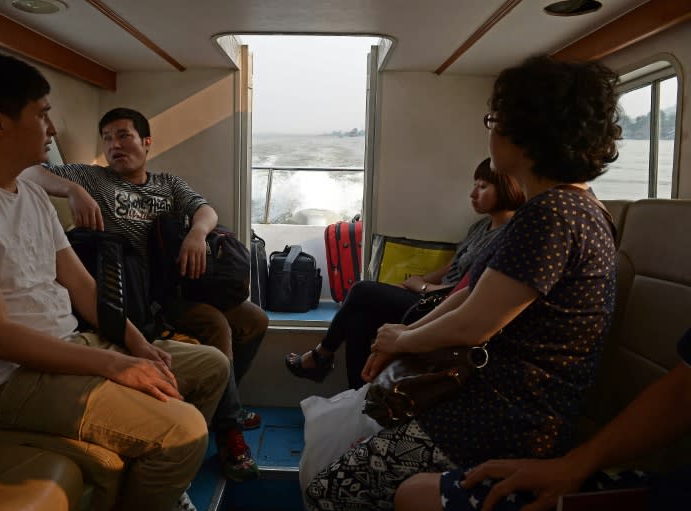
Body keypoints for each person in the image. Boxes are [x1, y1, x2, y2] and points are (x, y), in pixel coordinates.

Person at [303, 55, 621, 510]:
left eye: (495, 118)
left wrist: (405, 339)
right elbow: (474, 294)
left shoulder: (555, 214)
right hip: (487, 399)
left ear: (527, 132)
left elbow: (475, 325)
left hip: (506, 418)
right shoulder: (562, 210)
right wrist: (402, 337)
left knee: (329, 493)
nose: (489, 130)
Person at [0, 51, 230, 511]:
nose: (50, 128)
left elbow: (83, 287)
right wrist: (116, 365)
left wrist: (138, 346)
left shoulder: (29, 193)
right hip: (7, 382)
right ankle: (164, 474)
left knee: (210, 367)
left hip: (72, 346)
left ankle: (162, 483)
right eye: (42, 114)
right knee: (181, 430)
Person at [21, 107, 268, 481]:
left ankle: (221, 404)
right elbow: (27, 172)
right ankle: (222, 432)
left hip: (172, 289)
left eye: (123, 136)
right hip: (131, 297)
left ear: (146, 142)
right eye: (106, 138)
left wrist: (197, 234)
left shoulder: (167, 184)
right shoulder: (91, 178)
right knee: (216, 324)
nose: (114, 145)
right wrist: (73, 190)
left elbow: (205, 209)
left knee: (254, 319)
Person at [285, 157, 525, 389]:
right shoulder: (481, 226)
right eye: (474, 185)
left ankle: (321, 356)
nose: (473, 194)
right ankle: (357, 398)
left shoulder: (508, 236)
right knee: (359, 322)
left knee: (360, 289)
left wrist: (422, 288)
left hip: (443, 306)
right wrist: (412, 283)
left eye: (482, 187)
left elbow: (470, 289)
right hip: (431, 296)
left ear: (507, 188)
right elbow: (451, 268)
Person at [394, 328, 691, 511]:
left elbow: (472, 321)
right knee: (417, 494)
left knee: (413, 493)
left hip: (518, 425)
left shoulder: (557, 232)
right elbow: (681, 394)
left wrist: (401, 339)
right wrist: (575, 465)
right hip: (670, 492)